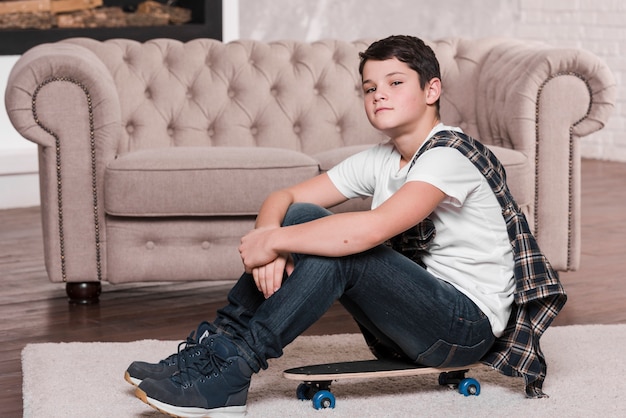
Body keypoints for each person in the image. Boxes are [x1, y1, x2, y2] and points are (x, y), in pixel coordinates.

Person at [125, 35, 564, 417]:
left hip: (463, 329)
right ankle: (212, 350)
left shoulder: (449, 156)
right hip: (413, 316)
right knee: (303, 218)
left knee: (346, 251)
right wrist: (270, 242)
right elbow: (285, 198)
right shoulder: (381, 159)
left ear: (432, 90)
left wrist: (273, 241)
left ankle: (235, 369)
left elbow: (369, 232)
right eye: (370, 87)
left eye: (395, 83)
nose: (379, 95)